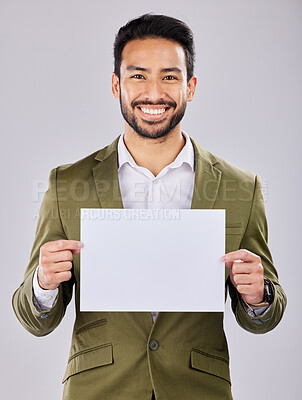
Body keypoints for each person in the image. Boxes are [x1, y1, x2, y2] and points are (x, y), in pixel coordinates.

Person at [12, 14, 287, 400]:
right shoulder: (66, 184)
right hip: (99, 388)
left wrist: (259, 297)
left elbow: (266, 316)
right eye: (138, 76)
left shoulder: (242, 187)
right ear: (116, 85)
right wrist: (43, 284)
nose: (153, 93)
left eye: (170, 77)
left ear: (190, 87)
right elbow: (32, 319)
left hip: (198, 388)